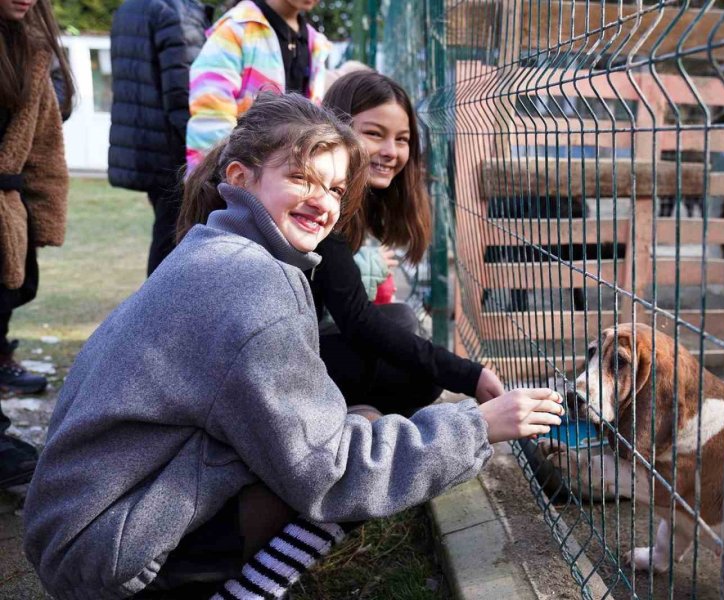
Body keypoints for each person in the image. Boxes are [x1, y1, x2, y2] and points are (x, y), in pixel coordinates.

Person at [23, 92, 564, 599]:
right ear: (241, 177)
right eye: (302, 178)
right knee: (350, 462)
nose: (323, 202)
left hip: (81, 529)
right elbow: (333, 473)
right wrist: (477, 426)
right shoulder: (255, 283)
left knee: (350, 427)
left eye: (335, 189)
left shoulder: (212, 248)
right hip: (113, 556)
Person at [315, 71, 504, 416]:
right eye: (374, 134)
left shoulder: (359, 203)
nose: (390, 151)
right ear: (336, 130)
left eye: (402, 139)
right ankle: (342, 417)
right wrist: (467, 374)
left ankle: (355, 409)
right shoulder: (321, 203)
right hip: (278, 360)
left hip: (310, 342)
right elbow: (357, 319)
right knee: (421, 374)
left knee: (402, 323)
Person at [0, 0, 73, 488]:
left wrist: (43, 217)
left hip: (9, 209)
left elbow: (44, 140)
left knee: (8, 297)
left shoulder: (31, 46)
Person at [107, 0, 214, 276]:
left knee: (167, 233)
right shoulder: (176, 11)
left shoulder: (130, 8)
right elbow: (185, 94)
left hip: (146, 145)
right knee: (176, 237)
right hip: (174, 150)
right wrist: (209, 157)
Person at [185, 0, 331, 171]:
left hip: (291, 174)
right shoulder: (236, 28)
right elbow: (210, 112)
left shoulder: (315, 43)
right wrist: (218, 175)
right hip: (235, 173)